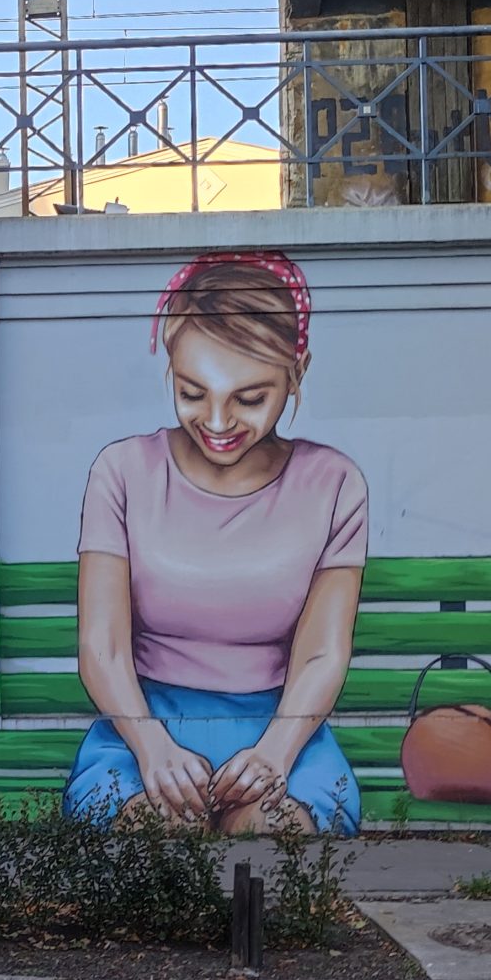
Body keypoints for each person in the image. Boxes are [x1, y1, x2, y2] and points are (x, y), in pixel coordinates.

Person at [64, 251, 364, 836]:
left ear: (297, 371)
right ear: (170, 365)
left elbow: (322, 653)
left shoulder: (333, 483)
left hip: (285, 730)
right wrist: (152, 747)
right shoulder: (123, 472)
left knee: (274, 833)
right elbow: (102, 648)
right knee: (155, 831)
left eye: (249, 398)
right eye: (192, 392)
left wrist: (274, 754)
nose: (218, 422)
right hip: (139, 728)